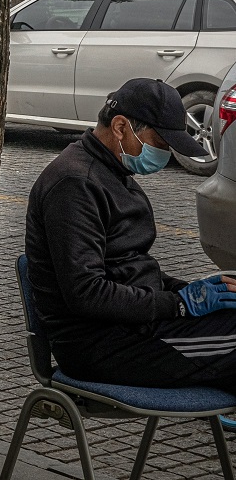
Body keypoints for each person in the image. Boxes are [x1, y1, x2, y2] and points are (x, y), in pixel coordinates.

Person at [26, 78, 231, 388]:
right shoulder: (75, 184)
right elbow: (87, 294)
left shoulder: (111, 170)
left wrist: (192, 291)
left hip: (138, 325)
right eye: (160, 144)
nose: (164, 155)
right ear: (121, 127)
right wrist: (178, 303)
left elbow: (129, 266)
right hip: (104, 344)